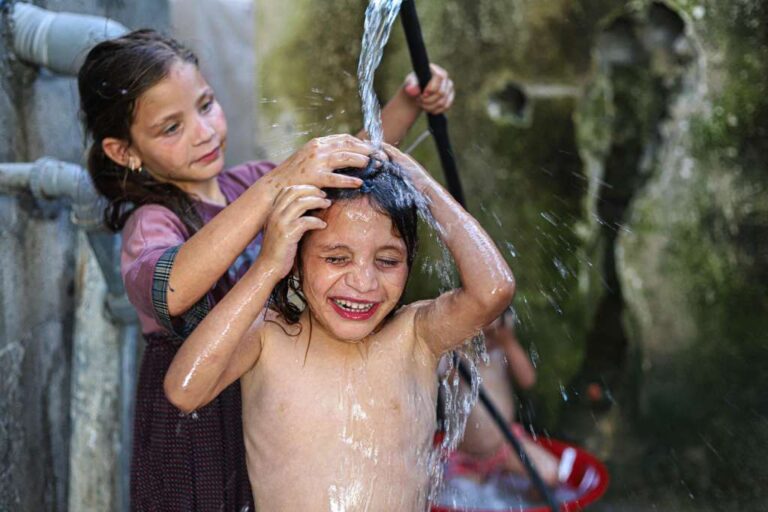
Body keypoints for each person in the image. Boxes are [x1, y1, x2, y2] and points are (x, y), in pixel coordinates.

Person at [77, 29, 455, 511]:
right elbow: (168, 289)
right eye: (172, 127)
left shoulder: (249, 182)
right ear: (124, 152)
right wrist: (279, 184)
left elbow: (351, 164)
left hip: (264, 397)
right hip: (197, 421)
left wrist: (408, 102)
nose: (204, 130)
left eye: (206, 104)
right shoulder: (154, 221)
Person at [163, 146, 516, 511]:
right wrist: (266, 267)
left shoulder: (417, 336)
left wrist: (422, 185)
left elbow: (493, 291)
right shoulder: (268, 337)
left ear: (410, 262)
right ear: (294, 261)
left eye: (387, 261)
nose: (364, 282)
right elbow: (184, 390)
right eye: (336, 258)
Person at [453, 310, 561, 487]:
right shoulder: (453, 357)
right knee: (459, 497)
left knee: (549, 475)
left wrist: (508, 342)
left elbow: (528, 380)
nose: (485, 339)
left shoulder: (501, 351)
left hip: (505, 447)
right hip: (464, 456)